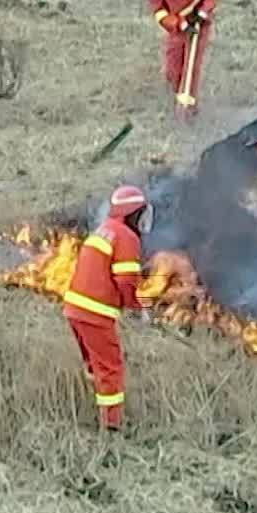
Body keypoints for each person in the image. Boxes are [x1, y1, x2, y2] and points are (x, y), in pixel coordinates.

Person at [64, 185, 154, 431]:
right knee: (111, 369)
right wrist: (136, 308)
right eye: (141, 213)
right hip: (95, 314)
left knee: (95, 365)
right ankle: (112, 426)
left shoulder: (103, 231)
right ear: (133, 214)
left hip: (74, 309)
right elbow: (126, 280)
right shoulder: (126, 237)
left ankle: (90, 408)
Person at [138, 0, 219, 121]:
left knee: (190, 67)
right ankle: (177, 99)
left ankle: (188, 112)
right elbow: (160, 13)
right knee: (172, 70)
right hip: (177, 28)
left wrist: (201, 14)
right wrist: (180, 25)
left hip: (198, 25)